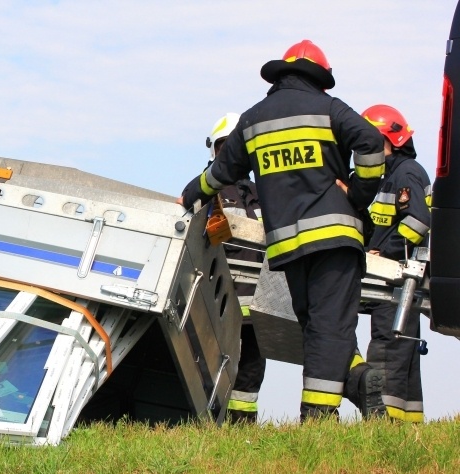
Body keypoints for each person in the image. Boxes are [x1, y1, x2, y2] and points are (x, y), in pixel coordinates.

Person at [179, 40, 387, 421]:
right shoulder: (329, 109)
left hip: (289, 248)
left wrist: (191, 193)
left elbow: (222, 172)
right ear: (319, 80)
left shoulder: (255, 118)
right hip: (334, 238)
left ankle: (356, 382)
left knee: (313, 325)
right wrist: (359, 193)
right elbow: (372, 143)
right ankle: (319, 416)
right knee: (331, 325)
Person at [179, 113, 266, 423]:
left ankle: (242, 431)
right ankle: (205, 424)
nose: (230, 154)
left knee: (251, 371)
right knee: (207, 365)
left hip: (257, 304)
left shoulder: (262, 194)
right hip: (215, 302)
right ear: (213, 150)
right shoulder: (203, 190)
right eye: (224, 147)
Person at [362, 104, 431, 422]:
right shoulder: (390, 176)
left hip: (398, 278)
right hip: (396, 279)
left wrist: (385, 252)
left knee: (389, 347)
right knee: (402, 351)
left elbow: (418, 221)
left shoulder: (406, 173)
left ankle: (382, 424)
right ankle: (407, 425)